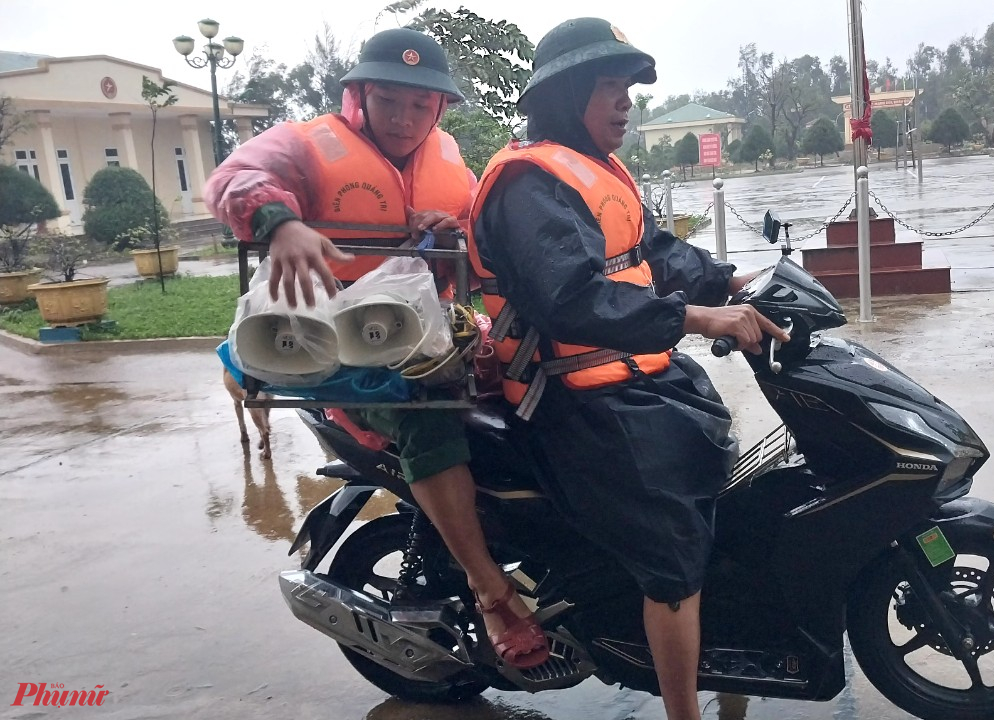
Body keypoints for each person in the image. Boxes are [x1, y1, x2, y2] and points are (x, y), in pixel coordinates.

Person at [466, 18, 786, 720]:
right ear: (565, 93)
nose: (625, 102)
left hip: (638, 385)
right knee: (672, 557)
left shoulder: (598, 172)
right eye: (608, 87)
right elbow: (571, 298)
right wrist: (697, 320)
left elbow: (657, 255)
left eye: (627, 88)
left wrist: (734, 282)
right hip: (576, 405)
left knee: (732, 498)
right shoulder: (529, 185)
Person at [206, 28, 547, 669]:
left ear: (440, 109)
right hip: (340, 356)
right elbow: (235, 177)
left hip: (431, 336)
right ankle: (489, 587)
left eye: (421, 106)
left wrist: (457, 229)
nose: (405, 119)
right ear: (359, 94)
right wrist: (282, 224)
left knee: (535, 395)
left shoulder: (449, 159)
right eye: (390, 101)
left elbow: (482, 233)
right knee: (431, 422)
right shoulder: (306, 143)